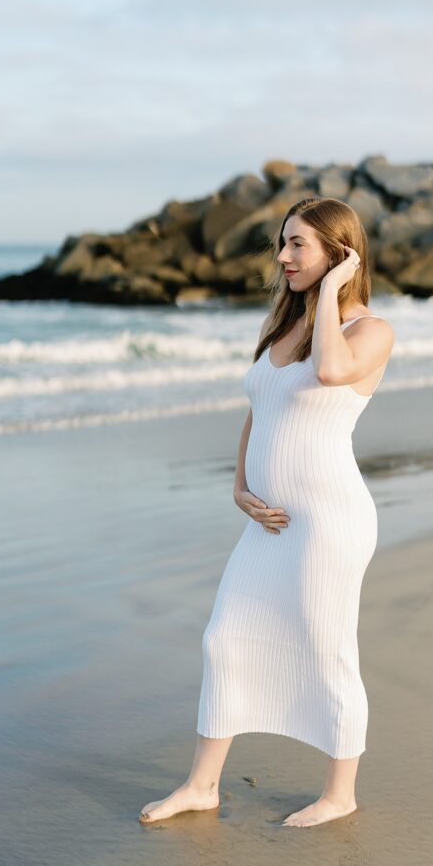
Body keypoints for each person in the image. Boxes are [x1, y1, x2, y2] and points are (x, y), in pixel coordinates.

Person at [139, 196, 395, 828]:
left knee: (327, 646)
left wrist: (335, 290)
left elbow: (332, 372)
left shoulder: (368, 331)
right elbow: (261, 405)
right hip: (269, 522)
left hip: (330, 520)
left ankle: (341, 793)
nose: (282, 256)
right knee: (224, 639)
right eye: (282, 242)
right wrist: (238, 484)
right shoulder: (286, 326)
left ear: (338, 253)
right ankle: (203, 785)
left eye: (298, 245)